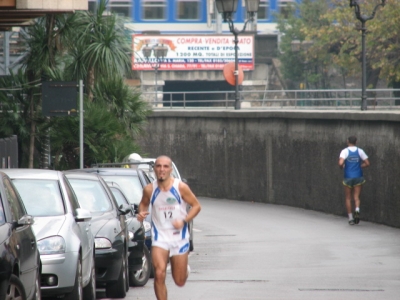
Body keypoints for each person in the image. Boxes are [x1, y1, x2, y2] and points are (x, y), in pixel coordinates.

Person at [137, 155, 201, 300]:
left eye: (165, 166)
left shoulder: (181, 187)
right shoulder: (149, 189)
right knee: (159, 273)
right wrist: (140, 213)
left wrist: (184, 221)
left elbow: (197, 206)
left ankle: (183, 269)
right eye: (158, 166)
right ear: (154, 169)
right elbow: (143, 204)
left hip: (179, 236)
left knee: (179, 281)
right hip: (160, 237)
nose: (162, 169)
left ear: (171, 170)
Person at [338, 136, 370, 225]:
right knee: (356, 197)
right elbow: (367, 163)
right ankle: (357, 210)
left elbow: (340, 163)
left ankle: (351, 218)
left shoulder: (344, 151)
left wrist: (342, 167)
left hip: (348, 177)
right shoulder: (360, 151)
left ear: (347, 141)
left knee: (348, 198)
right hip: (358, 176)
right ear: (356, 142)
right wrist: (360, 166)